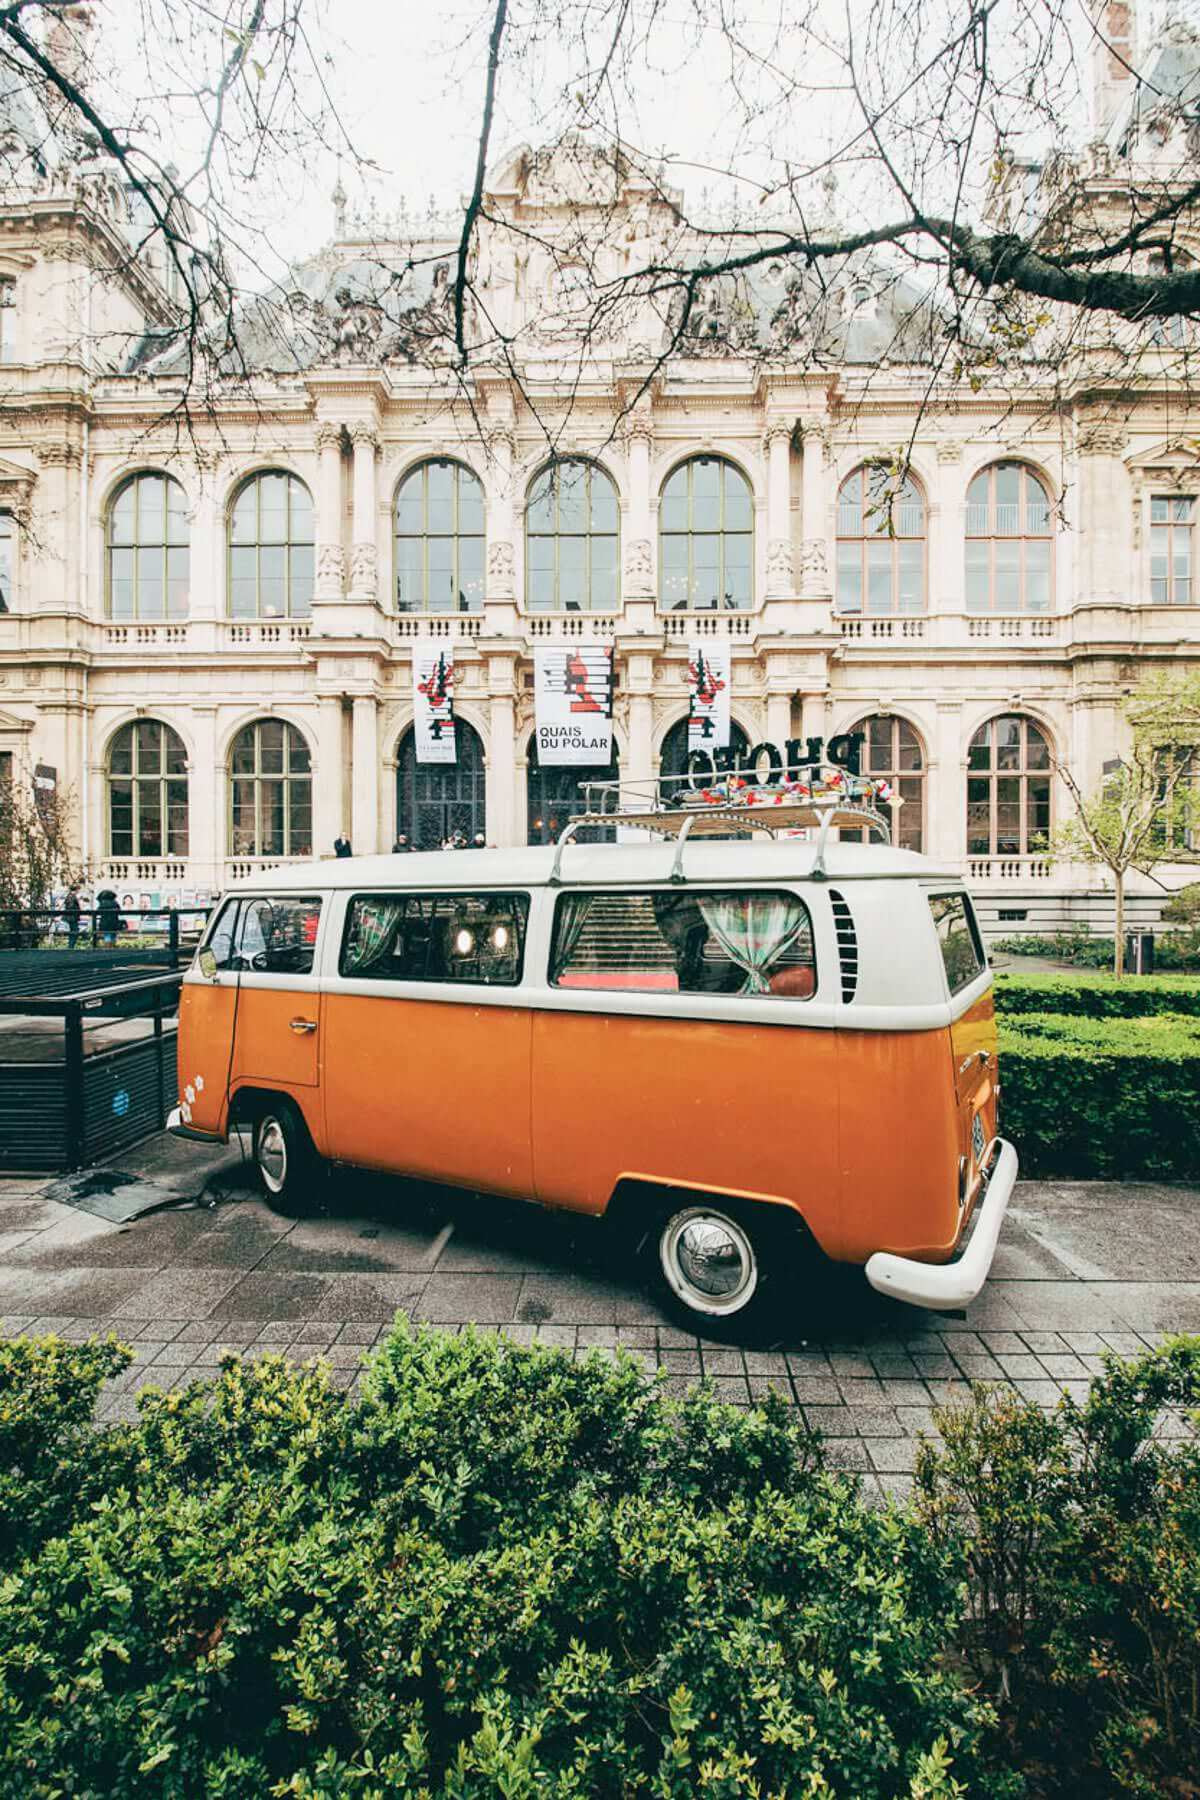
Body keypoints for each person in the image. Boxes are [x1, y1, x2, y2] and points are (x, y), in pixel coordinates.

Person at [63, 885, 81, 950]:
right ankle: (71, 947)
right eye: (78, 890)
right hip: (72, 917)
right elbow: (71, 907)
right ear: (76, 890)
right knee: (75, 931)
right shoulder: (72, 897)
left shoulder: (69, 896)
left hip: (71, 917)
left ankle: (71, 946)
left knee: (73, 931)